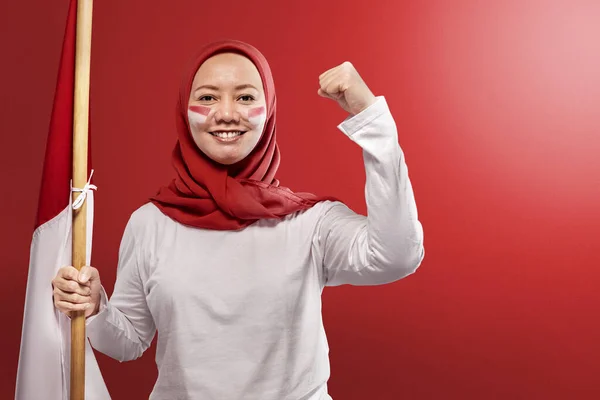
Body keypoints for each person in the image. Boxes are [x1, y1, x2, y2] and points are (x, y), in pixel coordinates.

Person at [52, 39, 425, 399]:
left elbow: (396, 255)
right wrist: (94, 309)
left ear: (270, 109)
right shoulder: (150, 223)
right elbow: (128, 341)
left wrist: (370, 118)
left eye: (245, 97)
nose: (226, 113)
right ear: (185, 109)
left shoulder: (310, 222)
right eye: (207, 97)